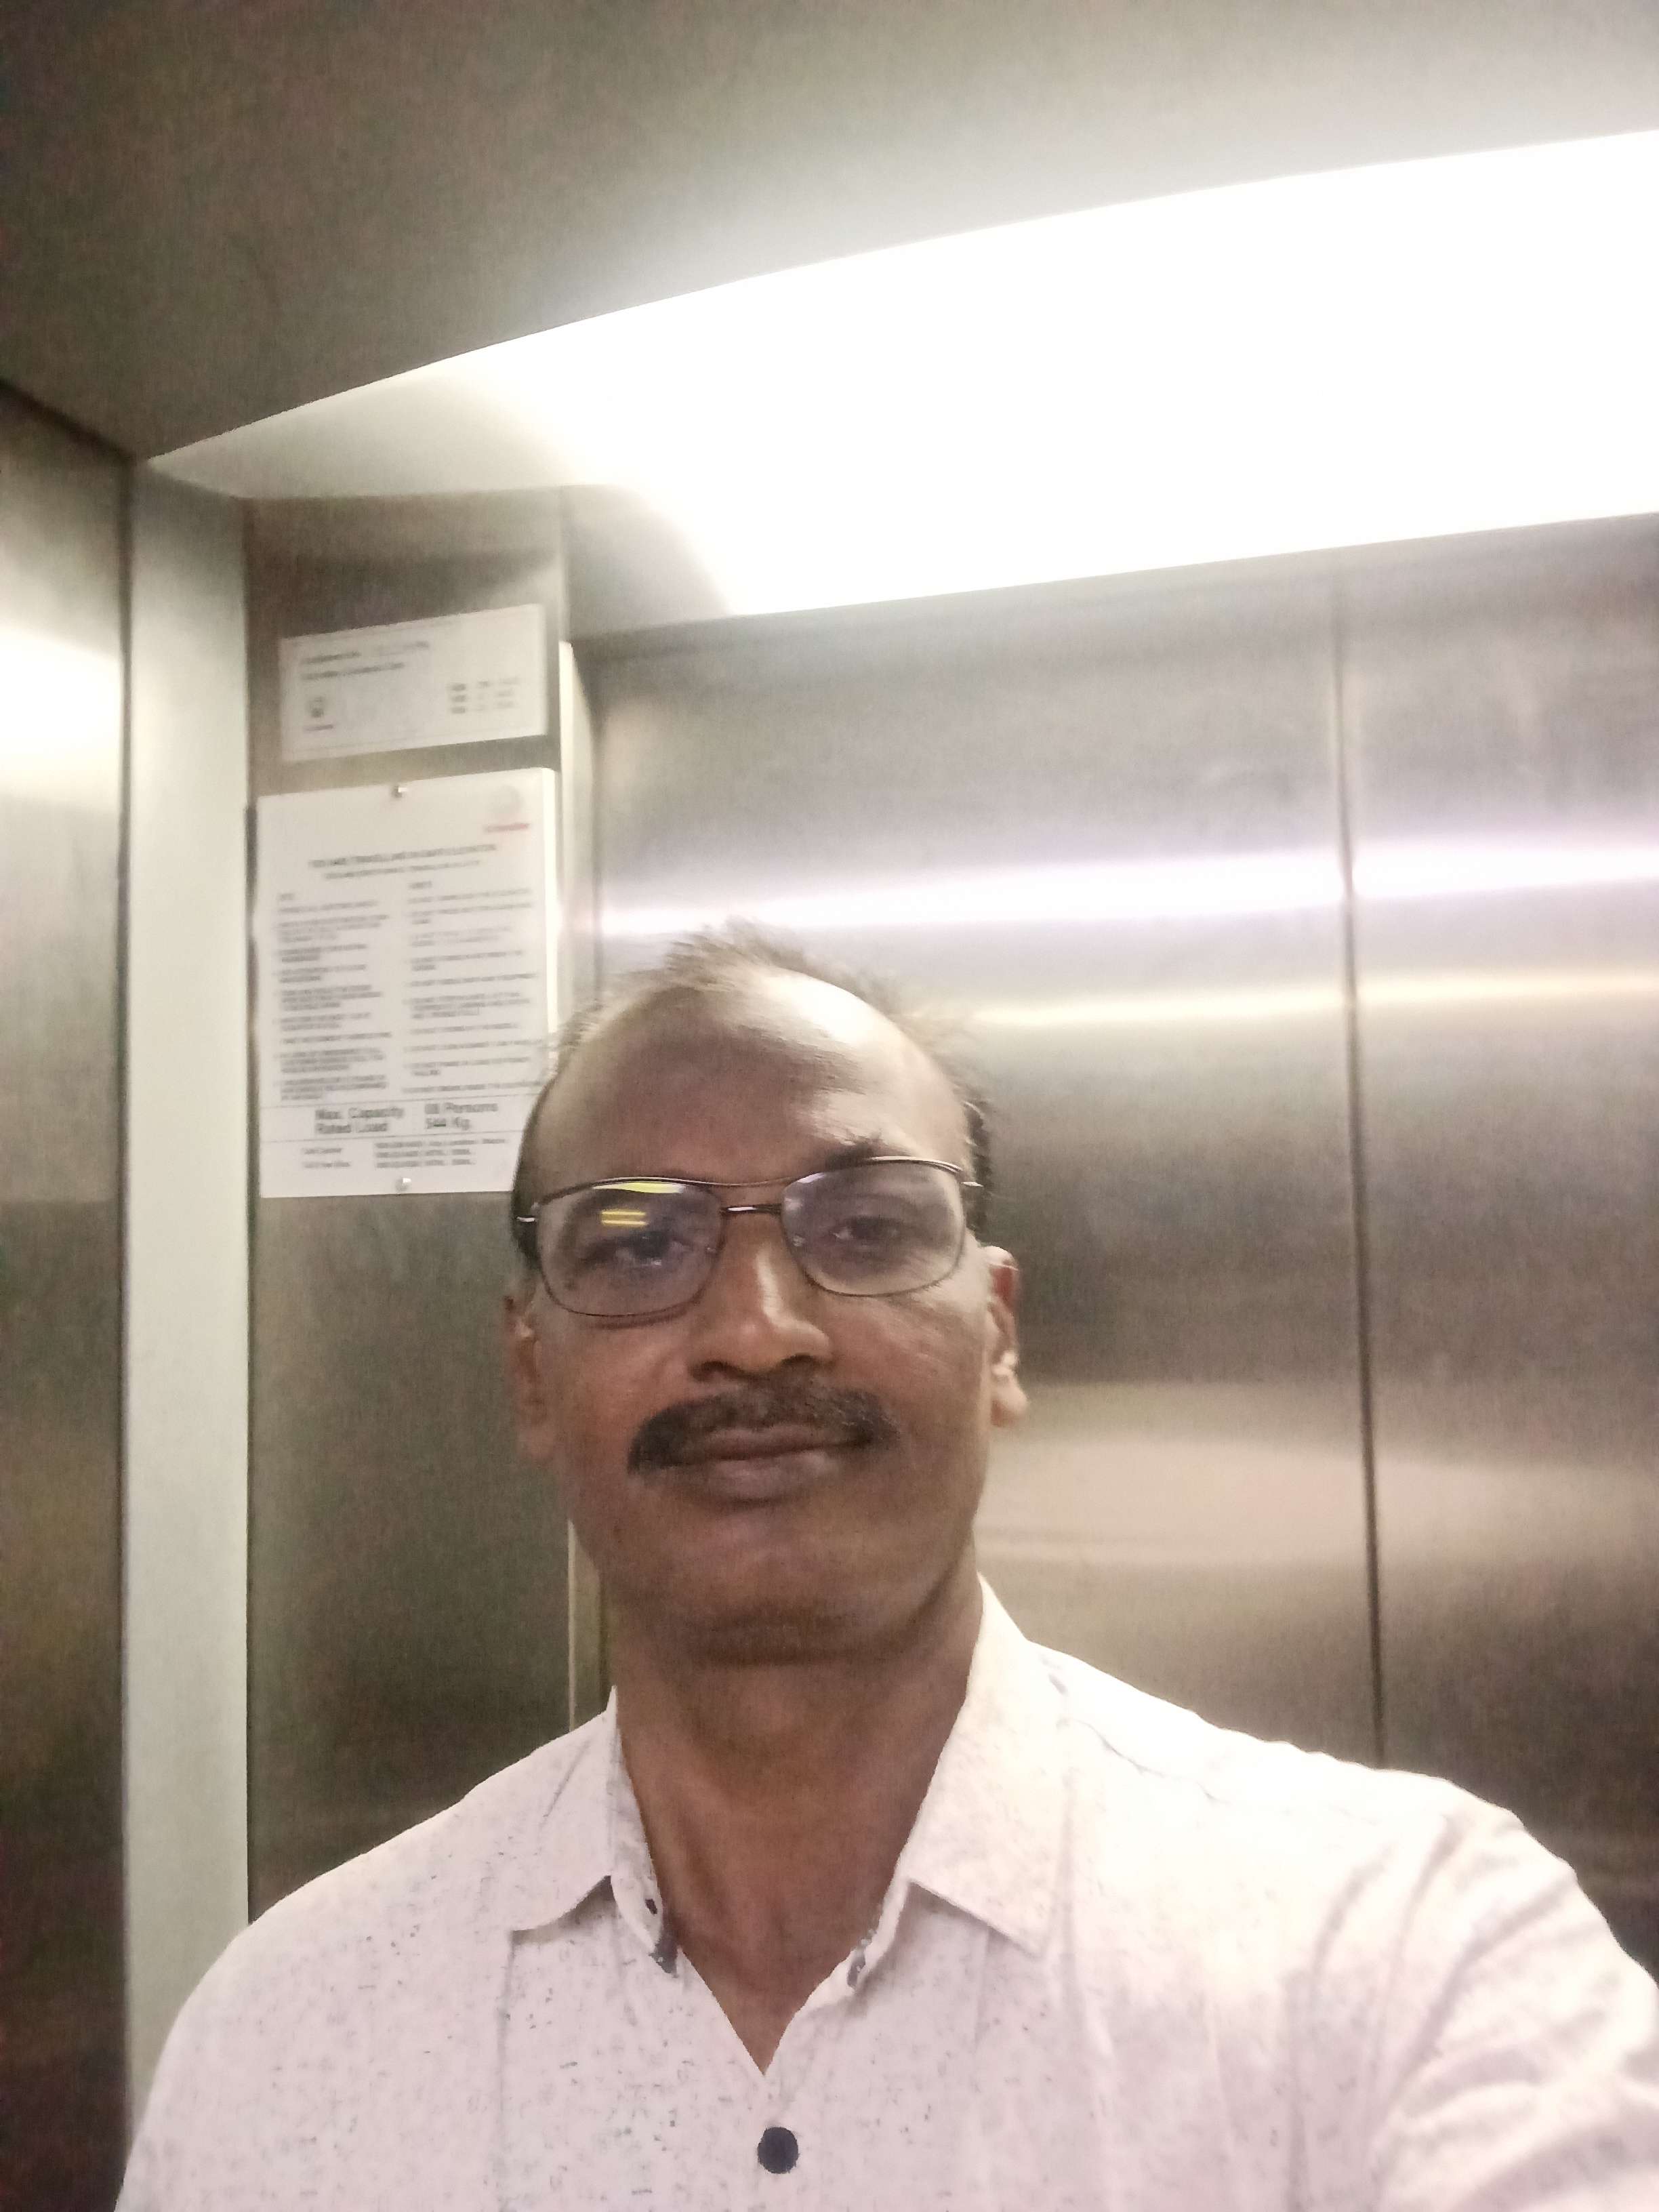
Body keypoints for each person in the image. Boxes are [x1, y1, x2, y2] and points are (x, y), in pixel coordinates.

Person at [121, 928, 1659, 2210]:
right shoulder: (291, 2039)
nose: (757, 1330)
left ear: (999, 1333)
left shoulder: (1406, 1962)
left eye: (862, 1227)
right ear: (531, 1374)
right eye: (638, 1243)